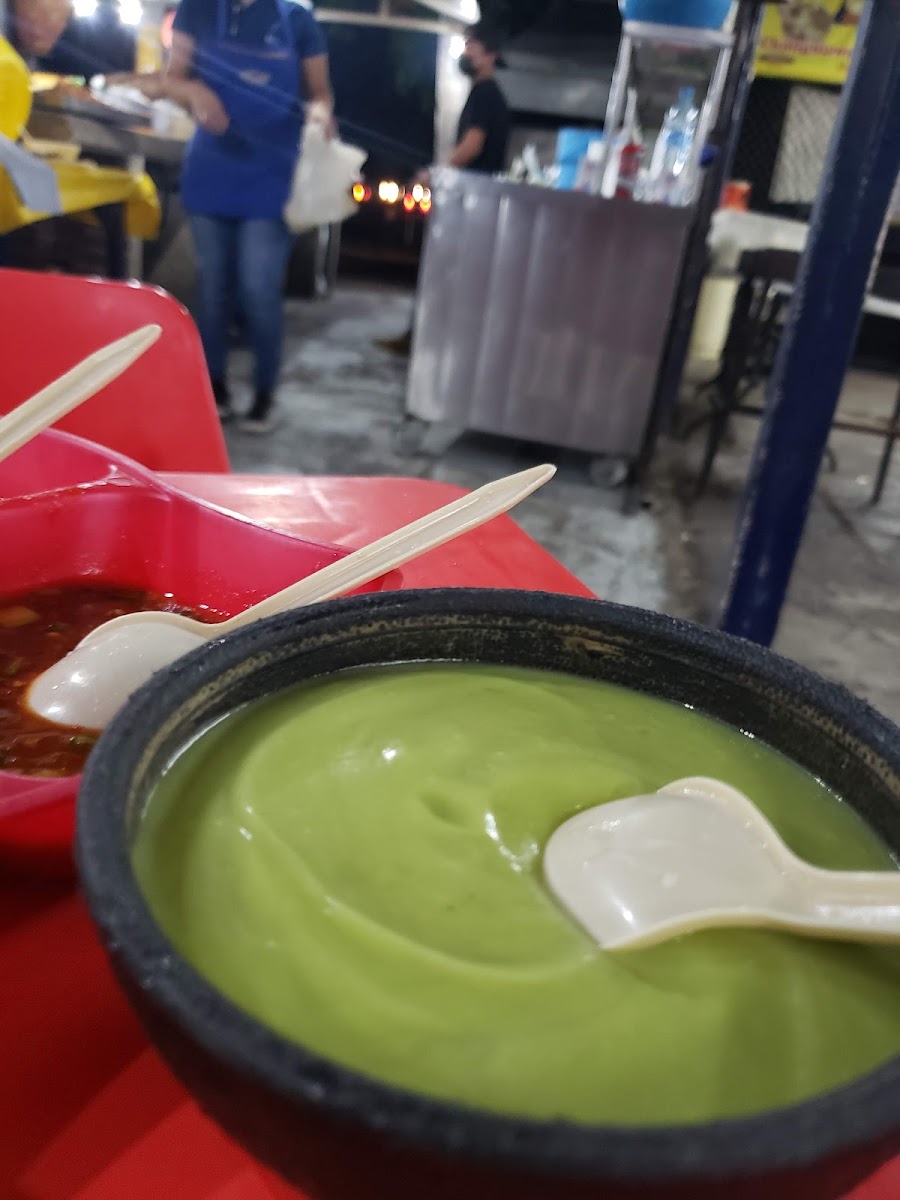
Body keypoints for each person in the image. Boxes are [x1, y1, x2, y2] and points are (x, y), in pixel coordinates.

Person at [161, 0, 334, 432]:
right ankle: (214, 387)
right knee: (213, 288)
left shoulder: (297, 21)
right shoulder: (197, 10)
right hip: (212, 169)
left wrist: (320, 115)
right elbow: (173, 79)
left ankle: (264, 394)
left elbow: (320, 93)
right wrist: (196, 92)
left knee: (258, 288)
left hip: (272, 176)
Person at [379, 22, 509, 358]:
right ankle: (421, 337)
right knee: (446, 271)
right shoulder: (485, 93)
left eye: (472, 45)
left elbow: (473, 144)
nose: (465, 51)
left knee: (443, 270)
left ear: (490, 55)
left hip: (473, 201)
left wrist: (434, 173)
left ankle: (425, 340)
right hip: (477, 201)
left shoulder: (485, 94)